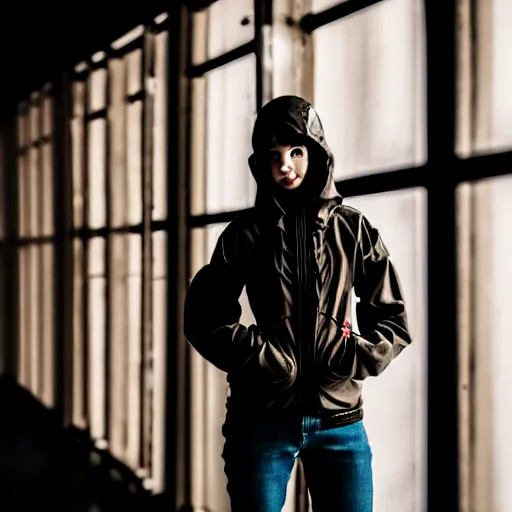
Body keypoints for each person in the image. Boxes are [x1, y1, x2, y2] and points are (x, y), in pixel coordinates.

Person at [184, 95, 412, 512]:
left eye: (295, 152)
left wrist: (352, 354)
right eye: (273, 156)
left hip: (341, 424)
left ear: (317, 155)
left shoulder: (352, 229)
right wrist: (262, 357)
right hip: (261, 420)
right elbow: (204, 317)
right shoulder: (245, 234)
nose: (285, 165)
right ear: (260, 165)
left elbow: (393, 321)